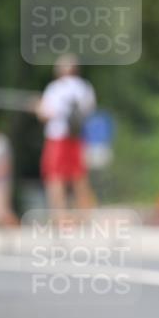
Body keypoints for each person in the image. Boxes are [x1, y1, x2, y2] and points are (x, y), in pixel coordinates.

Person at [36, 55, 97, 213]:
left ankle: (60, 215)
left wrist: (37, 107)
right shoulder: (85, 87)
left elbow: (45, 113)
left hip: (57, 137)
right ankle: (85, 214)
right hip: (77, 137)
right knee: (79, 176)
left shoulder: (55, 88)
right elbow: (89, 111)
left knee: (55, 176)